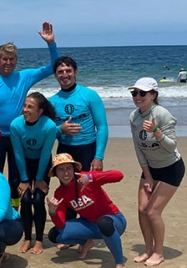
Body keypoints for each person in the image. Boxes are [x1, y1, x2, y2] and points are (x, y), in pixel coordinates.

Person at [0, 21, 59, 210]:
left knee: (16, 179)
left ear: (16, 60)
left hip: (19, 137)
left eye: (12, 59)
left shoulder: (25, 77)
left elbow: (52, 68)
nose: (8, 63)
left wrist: (51, 44)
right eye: (4, 59)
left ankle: (14, 212)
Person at [48, 56, 109, 249]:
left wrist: (98, 156)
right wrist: (60, 130)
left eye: (68, 71)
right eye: (60, 72)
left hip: (88, 149)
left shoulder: (89, 95)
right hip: (65, 151)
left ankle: (93, 233)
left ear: (75, 72)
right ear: (56, 75)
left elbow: (102, 126)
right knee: (68, 192)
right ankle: (75, 234)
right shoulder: (53, 101)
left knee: (89, 193)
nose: (64, 75)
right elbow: (48, 130)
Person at [127, 77, 185, 266]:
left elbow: (171, 146)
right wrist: (148, 177)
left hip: (171, 168)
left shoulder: (162, 114)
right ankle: (148, 250)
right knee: (142, 210)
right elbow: (138, 148)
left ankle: (159, 253)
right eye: (134, 93)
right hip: (150, 169)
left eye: (142, 93)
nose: (137, 96)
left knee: (153, 212)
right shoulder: (134, 117)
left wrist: (157, 131)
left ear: (153, 95)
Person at [46, 153, 127, 268]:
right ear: (55, 173)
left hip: (114, 221)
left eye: (68, 168)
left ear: (74, 169)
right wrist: (53, 212)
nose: (65, 173)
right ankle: (87, 242)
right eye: (61, 170)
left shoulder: (86, 177)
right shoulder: (60, 192)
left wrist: (91, 177)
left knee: (103, 222)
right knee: (55, 235)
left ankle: (119, 262)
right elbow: (60, 225)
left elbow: (119, 175)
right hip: (91, 225)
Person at [9, 92, 57, 254]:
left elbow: (45, 154)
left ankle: (39, 240)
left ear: (40, 111)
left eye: (30, 107)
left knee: (37, 199)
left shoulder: (49, 126)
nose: (25, 110)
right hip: (23, 163)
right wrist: (24, 179)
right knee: (25, 199)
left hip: (42, 164)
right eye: (24, 106)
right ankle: (27, 238)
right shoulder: (16, 125)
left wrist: (39, 179)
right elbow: (18, 154)